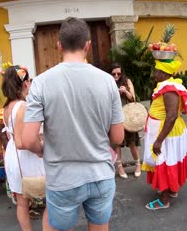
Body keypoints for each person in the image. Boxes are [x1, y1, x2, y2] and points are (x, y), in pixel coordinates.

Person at [21, 17, 125, 231]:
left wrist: (42, 150)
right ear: (87, 45)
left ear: (59, 45)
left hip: (62, 178)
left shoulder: (40, 83)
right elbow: (118, 138)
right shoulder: (108, 81)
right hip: (100, 174)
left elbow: (28, 139)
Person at [142, 59, 187, 210]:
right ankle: (171, 189)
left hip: (165, 132)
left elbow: (171, 116)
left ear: (164, 73)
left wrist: (159, 140)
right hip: (165, 130)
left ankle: (163, 201)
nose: (154, 74)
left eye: (156, 71)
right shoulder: (167, 85)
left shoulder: (169, 89)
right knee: (170, 159)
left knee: (163, 162)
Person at [1, 65, 45, 231]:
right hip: (25, 157)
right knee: (51, 196)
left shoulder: (6, 107)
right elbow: (22, 142)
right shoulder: (22, 106)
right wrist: (40, 149)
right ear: (25, 83)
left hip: (13, 156)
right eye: (29, 80)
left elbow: (12, 137)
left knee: (22, 202)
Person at [109, 63, 142, 178]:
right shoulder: (107, 82)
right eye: (114, 74)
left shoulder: (127, 81)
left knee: (132, 143)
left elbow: (133, 98)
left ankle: (138, 164)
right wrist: (115, 94)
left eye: (119, 73)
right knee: (117, 143)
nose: (116, 75)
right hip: (114, 117)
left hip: (129, 117)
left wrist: (125, 92)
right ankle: (120, 167)